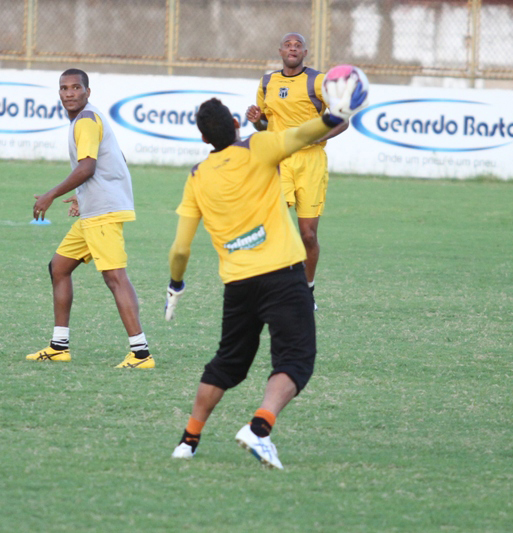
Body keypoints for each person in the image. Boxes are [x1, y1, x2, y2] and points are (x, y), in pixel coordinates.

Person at [167, 83, 366, 467]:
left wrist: (176, 284)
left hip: (238, 284)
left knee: (227, 363)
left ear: (203, 137)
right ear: (238, 125)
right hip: (283, 275)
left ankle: (188, 441)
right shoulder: (259, 147)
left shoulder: (196, 175)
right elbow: (307, 132)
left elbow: (180, 249)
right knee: (295, 360)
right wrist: (338, 112)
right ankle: (259, 428)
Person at [27, 68, 154, 369]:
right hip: (95, 208)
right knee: (59, 267)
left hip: (104, 212)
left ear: (87, 92)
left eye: (75, 88)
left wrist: (51, 194)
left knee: (115, 277)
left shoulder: (85, 120)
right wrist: (83, 195)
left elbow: (87, 168)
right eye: (64, 88)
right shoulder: (90, 118)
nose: (69, 93)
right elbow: (116, 160)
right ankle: (59, 346)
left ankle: (140, 353)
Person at [246, 32, 348, 309]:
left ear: (305, 52)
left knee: (308, 235)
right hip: (280, 159)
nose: (293, 48)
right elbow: (264, 125)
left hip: (311, 162)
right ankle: (271, 287)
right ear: (280, 51)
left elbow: (343, 120)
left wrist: (320, 136)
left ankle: (307, 290)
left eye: (298, 45)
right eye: (288, 45)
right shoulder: (268, 82)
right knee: (271, 227)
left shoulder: (318, 81)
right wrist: (257, 122)